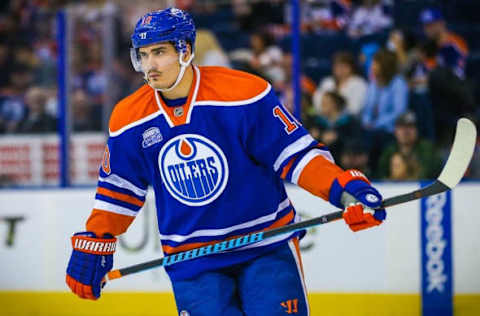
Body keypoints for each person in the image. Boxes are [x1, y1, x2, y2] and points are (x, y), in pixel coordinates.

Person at [65, 8, 386, 315]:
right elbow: (119, 192)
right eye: (143, 54)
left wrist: (343, 191)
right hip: (193, 262)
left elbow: (297, 156)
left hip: (265, 248)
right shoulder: (128, 119)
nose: (150, 64)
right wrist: (96, 239)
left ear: (185, 50)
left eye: (159, 52)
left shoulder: (243, 94)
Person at [376, 111, 443, 180]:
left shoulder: (428, 149)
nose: (405, 131)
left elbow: (433, 172)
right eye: (401, 127)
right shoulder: (389, 151)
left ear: (417, 130)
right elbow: (380, 176)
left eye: (410, 127)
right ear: (395, 131)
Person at [313, 51, 367, 116]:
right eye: (337, 66)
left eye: (344, 66)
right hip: (325, 118)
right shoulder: (327, 82)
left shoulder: (359, 83)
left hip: (349, 122)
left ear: (351, 67)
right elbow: (317, 99)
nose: (340, 69)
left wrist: (336, 111)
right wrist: (325, 110)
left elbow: (355, 109)